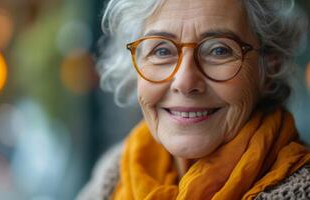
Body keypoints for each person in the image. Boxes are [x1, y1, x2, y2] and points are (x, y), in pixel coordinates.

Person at [77, 0, 310, 199]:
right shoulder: (111, 177)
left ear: (268, 68)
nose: (185, 82)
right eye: (162, 51)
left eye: (218, 50)